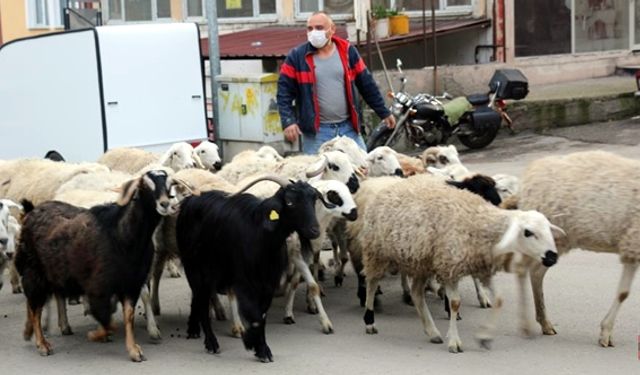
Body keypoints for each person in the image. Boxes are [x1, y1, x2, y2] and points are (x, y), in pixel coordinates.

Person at [277, 11, 396, 155]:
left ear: (332, 29)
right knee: (317, 174)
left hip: (348, 129)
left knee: (363, 169)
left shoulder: (347, 52)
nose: (314, 32)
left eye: (319, 28)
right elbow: (284, 92)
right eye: (310, 28)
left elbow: (367, 84)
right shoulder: (296, 57)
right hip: (317, 134)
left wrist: (383, 112)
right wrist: (288, 121)